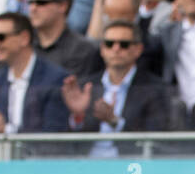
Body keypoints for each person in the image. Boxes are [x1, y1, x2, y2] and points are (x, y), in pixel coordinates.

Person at [63, 17, 169, 152]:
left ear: (138, 49)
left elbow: (157, 141)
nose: (116, 49)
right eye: (109, 43)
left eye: (124, 44)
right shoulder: (85, 86)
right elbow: (65, 143)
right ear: (102, 49)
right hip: (87, 166)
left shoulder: (155, 89)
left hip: (131, 166)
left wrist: (115, 122)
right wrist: (78, 116)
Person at [0, 10, 70, 131]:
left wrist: (7, 130)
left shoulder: (55, 79)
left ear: (24, 38)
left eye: (1, 37)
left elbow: (53, 136)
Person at [28, 0, 99, 77]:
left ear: (62, 6)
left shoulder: (83, 51)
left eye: (41, 3)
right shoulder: (23, 46)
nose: (33, 9)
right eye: (30, 2)